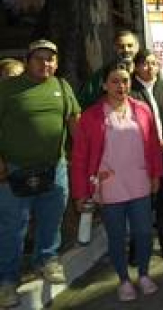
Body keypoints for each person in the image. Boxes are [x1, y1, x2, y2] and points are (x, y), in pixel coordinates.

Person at [71, 63, 163, 302]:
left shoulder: (142, 109)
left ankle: (143, 274)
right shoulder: (91, 116)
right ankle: (123, 280)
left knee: (144, 232)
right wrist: (81, 192)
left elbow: (154, 146)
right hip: (109, 185)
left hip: (140, 181)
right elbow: (80, 157)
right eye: (114, 81)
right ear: (104, 85)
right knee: (117, 236)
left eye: (125, 80)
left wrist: (156, 174)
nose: (121, 86)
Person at [0, 40, 79, 308]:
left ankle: (46, 259)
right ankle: (7, 281)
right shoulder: (7, 88)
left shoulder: (62, 86)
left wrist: (83, 156)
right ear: (27, 61)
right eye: (39, 58)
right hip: (14, 170)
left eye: (51, 59)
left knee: (52, 217)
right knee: (13, 227)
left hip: (54, 168)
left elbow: (74, 121)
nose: (46, 63)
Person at [130, 51, 163, 260]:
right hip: (140, 156)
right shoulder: (130, 91)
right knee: (141, 202)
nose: (150, 68)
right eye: (144, 64)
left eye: (153, 63)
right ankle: (137, 247)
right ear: (136, 67)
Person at [79, 29, 141, 107]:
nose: (126, 50)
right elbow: (84, 103)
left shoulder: (145, 72)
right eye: (121, 46)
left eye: (130, 45)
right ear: (115, 48)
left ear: (137, 47)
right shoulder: (102, 75)